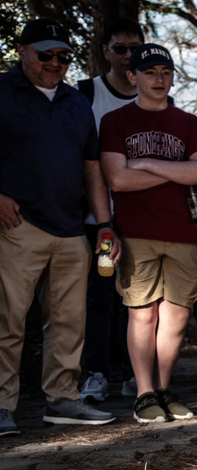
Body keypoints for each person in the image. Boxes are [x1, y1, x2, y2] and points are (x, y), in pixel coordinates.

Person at [0, 17, 119, 436]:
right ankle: (1, 406)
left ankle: (63, 400)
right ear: (22, 52)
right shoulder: (2, 90)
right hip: (18, 225)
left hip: (72, 228)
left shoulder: (76, 102)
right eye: (45, 54)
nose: (55, 62)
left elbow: (92, 169)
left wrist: (104, 224)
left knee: (70, 322)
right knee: (7, 320)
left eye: (63, 56)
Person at [100, 43, 197, 423]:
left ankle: (164, 390)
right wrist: (173, 169)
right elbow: (117, 178)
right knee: (142, 315)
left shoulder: (188, 123)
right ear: (132, 76)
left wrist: (147, 162)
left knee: (177, 317)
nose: (158, 79)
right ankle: (144, 394)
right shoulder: (115, 121)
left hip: (183, 232)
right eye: (150, 72)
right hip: (135, 232)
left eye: (165, 72)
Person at [76, 16, 144, 404]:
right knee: (99, 297)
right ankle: (97, 373)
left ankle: (133, 374)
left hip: (137, 219)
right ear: (105, 52)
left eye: (134, 48)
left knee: (134, 299)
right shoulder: (85, 94)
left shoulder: (152, 96)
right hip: (94, 221)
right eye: (120, 49)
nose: (128, 56)